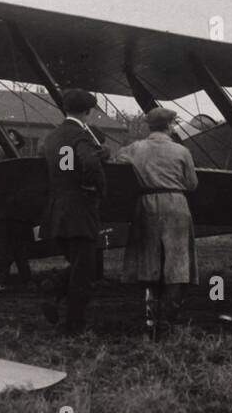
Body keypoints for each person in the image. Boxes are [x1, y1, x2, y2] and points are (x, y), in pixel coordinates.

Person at [114, 107, 200, 337]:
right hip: (176, 204)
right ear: (170, 125)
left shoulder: (133, 149)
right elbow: (192, 184)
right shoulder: (181, 151)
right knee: (177, 262)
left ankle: (149, 319)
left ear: (149, 126)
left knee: (148, 260)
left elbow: (118, 164)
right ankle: (169, 321)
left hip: (146, 203)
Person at [38, 90, 108, 335]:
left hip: (57, 209)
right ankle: (73, 325)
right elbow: (88, 163)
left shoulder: (51, 137)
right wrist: (96, 187)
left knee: (79, 264)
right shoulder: (82, 135)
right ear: (88, 111)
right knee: (85, 270)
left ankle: (54, 287)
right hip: (80, 209)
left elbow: (58, 164)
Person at [0, 128, 35, 291]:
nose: (5, 139)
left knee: (10, 247)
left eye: (10, 137)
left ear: (16, 142)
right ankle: (21, 279)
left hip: (12, 211)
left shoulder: (9, 158)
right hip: (7, 211)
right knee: (10, 247)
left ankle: (8, 279)